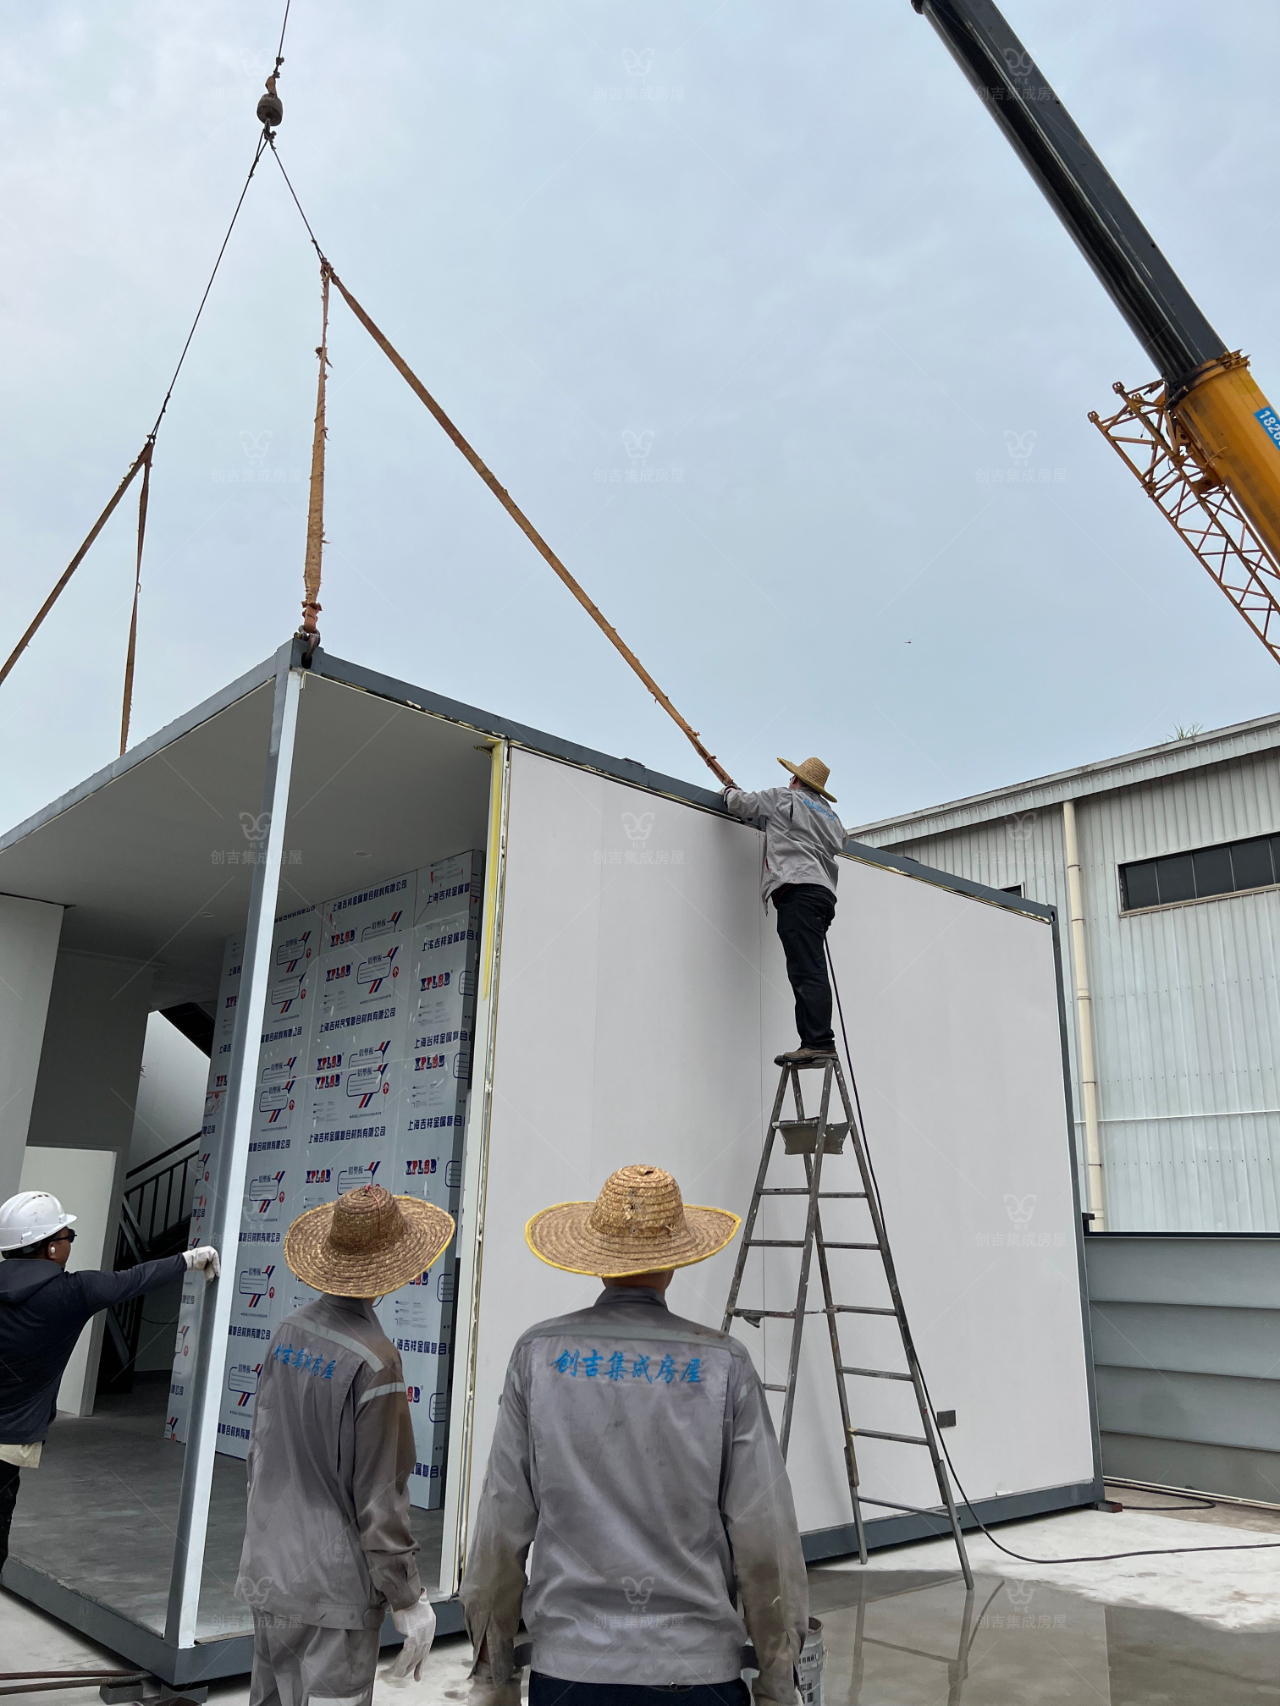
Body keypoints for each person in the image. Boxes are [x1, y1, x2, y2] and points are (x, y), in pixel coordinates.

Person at [461, 1163, 808, 1706]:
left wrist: (492, 1669)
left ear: (599, 1262)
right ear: (674, 1264)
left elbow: (501, 1525)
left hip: (569, 1674)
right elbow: (766, 1538)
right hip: (696, 1674)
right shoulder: (725, 1364)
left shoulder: (538, 1354)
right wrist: (778, 1676)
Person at [235, 1183, 455, 1706]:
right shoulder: (376, 1360)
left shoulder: (286, 1333)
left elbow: (259, 1452)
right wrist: (407, 1595)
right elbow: (379, 1495)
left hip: (271, 1571)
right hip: (333, 1591)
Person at [0, 1188, 219, 1572]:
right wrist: (188, 1259)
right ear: (50, 1248)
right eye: (68, 1236)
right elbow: (132, 1280)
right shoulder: (73, 1292)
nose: (69, 1243)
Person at [723, 756, 846, 1065]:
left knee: (806, 970)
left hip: (798, 890)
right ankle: (815, 1040)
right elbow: (841, 841)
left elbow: (742, 804)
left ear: (795, 780)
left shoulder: (783, 797)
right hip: (823, 893)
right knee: (811, 966)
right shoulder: (831, 816)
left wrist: (728, 791)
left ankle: (818, 1042)